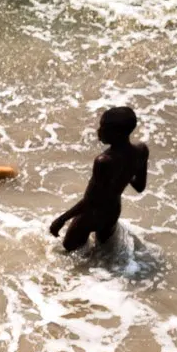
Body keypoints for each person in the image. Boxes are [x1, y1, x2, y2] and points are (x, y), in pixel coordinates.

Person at [50, 106, 149, 252]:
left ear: (117, 133)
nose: (99, 131)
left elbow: (90, 202)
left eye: (104, 128)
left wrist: (61, 219)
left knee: (68, 252)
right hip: (113, 213)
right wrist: (124, 173)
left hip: (91, 216)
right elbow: (140, 187)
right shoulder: (141, 151)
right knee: (101, 254)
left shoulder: (104, 161)